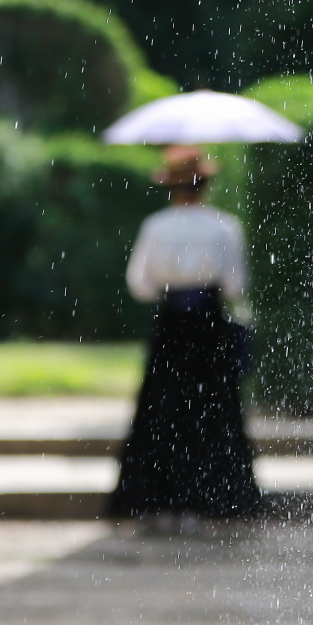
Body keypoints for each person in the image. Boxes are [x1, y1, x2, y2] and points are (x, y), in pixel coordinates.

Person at [110, 145, 263, 523]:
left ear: (170, 187)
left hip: (172, 326)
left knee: (163, 410)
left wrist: (172, 287)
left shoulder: (156, 226)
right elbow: (235, 285)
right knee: (215, 411)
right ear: (205, 185)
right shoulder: (224, 226)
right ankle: (217, 497)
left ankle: (158, 497)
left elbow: (139, 284)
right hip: (209, 326)